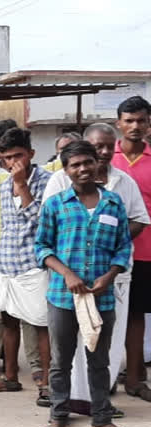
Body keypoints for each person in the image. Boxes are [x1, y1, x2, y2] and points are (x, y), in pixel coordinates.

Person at [35, 141, 139, 427]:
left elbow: (123, 246)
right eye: (74, 165)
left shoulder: (113, 203)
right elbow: (41, 247)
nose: (82, 169)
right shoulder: (56, 204)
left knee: (99, 360)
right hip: (63, 297)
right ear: (66, 171)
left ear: (97, 164)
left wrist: (110, 275)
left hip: (102, 296)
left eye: (87, 163)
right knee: (60, 362)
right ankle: (58, 418)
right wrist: (67, 274)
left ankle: (102, 420)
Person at [0, 129, 51, 405]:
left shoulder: (49, 181)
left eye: (18, 155)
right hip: (6, 262)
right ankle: (10, 377)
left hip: (34, 264)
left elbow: (41, 222)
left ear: (30, 153)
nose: (13, 162)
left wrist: (23, 186)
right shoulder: (3, 185)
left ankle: (47, 382)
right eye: (7, 158)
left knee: (41, 324)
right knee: (8, 323)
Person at [112, 95, 151, 402]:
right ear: (119, 124)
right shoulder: (103, 158)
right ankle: (105, 376)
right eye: (129, 120)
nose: (135, 126)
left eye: (140, 120)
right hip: (107, 253)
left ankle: (136, 379)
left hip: (146, 252)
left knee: (136, 315)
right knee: (107, 316)